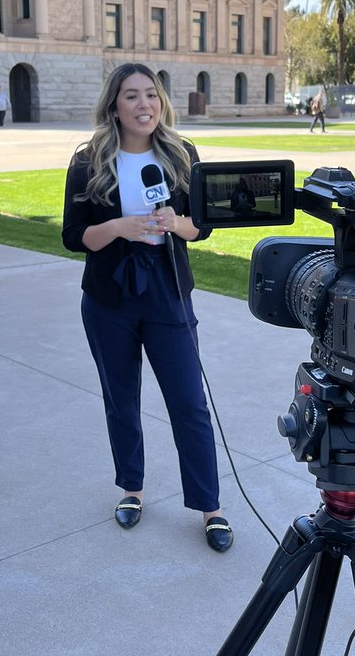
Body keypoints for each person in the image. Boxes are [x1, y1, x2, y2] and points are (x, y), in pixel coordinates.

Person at [61, 62, 233, 553]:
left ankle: (210, 507)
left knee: (189, 404)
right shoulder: (88, 159)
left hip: (167, 290)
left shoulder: (181, 154)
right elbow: (75, 237)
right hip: (108, 296)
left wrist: (176, 224)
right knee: (122, 400)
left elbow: (202, 226)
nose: (145, 105)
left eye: (151, 95)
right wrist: (120, 226)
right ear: (114, 106)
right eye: (132, 96)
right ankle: (131, 490)